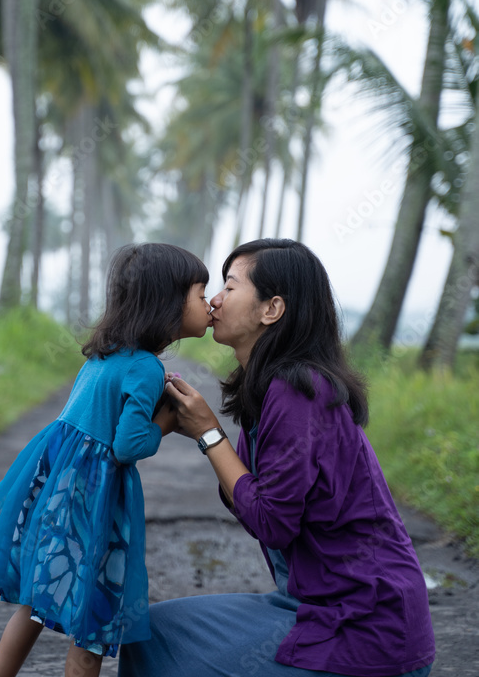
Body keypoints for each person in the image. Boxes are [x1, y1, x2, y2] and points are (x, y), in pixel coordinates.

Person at [119, 238, 435, 677]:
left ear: (272, 309)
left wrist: (210, 435)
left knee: (154, 643)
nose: (215, 299)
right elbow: (251, 501)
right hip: (305, 604)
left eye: (230, 287)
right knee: (150, 634)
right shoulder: (268, 390)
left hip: (363, 626)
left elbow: (271, 521)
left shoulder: (299, 392)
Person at [0, 242, 211, 677]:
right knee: (93, 623)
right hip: (94, 504)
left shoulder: (103, 356)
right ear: (168, 302)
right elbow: (127, 447)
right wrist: (166, 424)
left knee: (34, 604)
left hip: (58, 494)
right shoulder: (145, 368)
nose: (209, 304)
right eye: (201, 294)